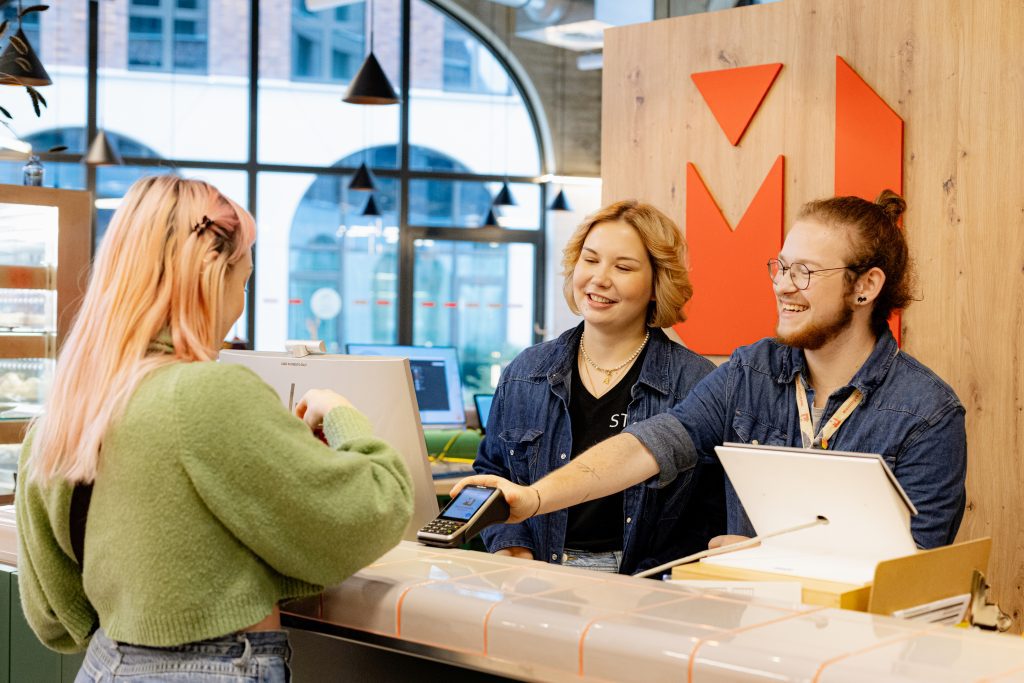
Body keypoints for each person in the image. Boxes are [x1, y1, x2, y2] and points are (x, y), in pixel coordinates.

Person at [16, 176, 414, 681]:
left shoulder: (66, 411)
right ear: (209, 274)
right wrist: (340, 413)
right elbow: (373, 512)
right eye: (242, 281)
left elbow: (56, 618)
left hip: (105, 665)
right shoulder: (207, 393)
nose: (239, 305)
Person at [458, 191, 966, 551]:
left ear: (866, 286)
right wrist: (534, 498)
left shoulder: (928, 413)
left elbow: (911, 571)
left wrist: (767, 564)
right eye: (782, 267)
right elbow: (649, 444)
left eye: (805, 272)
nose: (784, 286)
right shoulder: (751, 370)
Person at [473, 200, 720, 575]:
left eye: (623, 267)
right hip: (535, 573)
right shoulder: (526, 371)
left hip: (642, 585)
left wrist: (650, 581)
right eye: (590, 260)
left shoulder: (694, 382)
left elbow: (710, 512)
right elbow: (493, 469)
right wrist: (513, 549)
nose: (599, 278)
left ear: (657, 284)